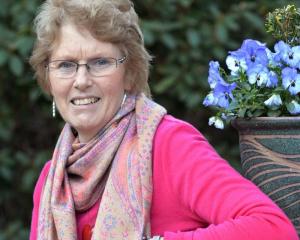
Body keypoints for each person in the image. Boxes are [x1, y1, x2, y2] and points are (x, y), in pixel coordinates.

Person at [29, 0, 298, 240]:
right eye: (65, 65)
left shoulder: (169, 145)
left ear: (130, 72)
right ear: (48, 78)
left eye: (100, 62)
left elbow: (273, 229)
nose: (82, 80)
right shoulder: (53, 181)